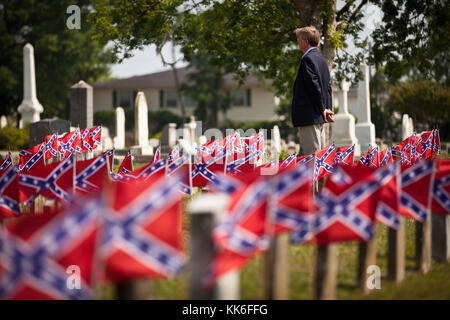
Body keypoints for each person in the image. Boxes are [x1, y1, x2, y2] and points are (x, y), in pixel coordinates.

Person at [291, 26, 334, 157]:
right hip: (319, 115)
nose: (298, 41)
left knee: (312, 157)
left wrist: (323, 109)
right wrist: (327, 109)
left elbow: (314, 87)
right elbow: (327, 88)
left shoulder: (307, 59)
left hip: (310, 115)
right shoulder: (321, 59)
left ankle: (313, 179)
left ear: (306, 41)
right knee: (318, 156)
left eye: (299, 39)